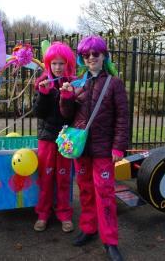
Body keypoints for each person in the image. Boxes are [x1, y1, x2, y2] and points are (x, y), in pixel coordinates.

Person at [59, 36, 129, 261]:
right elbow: (67, 115)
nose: (91, 58)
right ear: (82, 58)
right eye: (86, 55)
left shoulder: (115, 84)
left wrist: (118, 147)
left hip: (103, 150)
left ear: (104, 56)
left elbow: (122, 118)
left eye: (95, 54)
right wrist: (66, 96)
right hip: (82, 150)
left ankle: (110, 240)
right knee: (86, 190)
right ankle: (89, 228)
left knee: (105, 194)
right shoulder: (79, 82)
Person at [32, 42, 76, 233]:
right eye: (54, 63)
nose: (58, 67)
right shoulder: (42, 82)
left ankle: (64, 214)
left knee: (64, 178)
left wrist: (67, 97)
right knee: (46, 178)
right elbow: (38, 113)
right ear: (48, 64)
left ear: (68, 64)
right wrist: (43, 94)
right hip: (47, 139)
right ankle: (42, 214)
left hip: (65, 139)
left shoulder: (72, 84)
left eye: (61, 63)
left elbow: (72, 115)